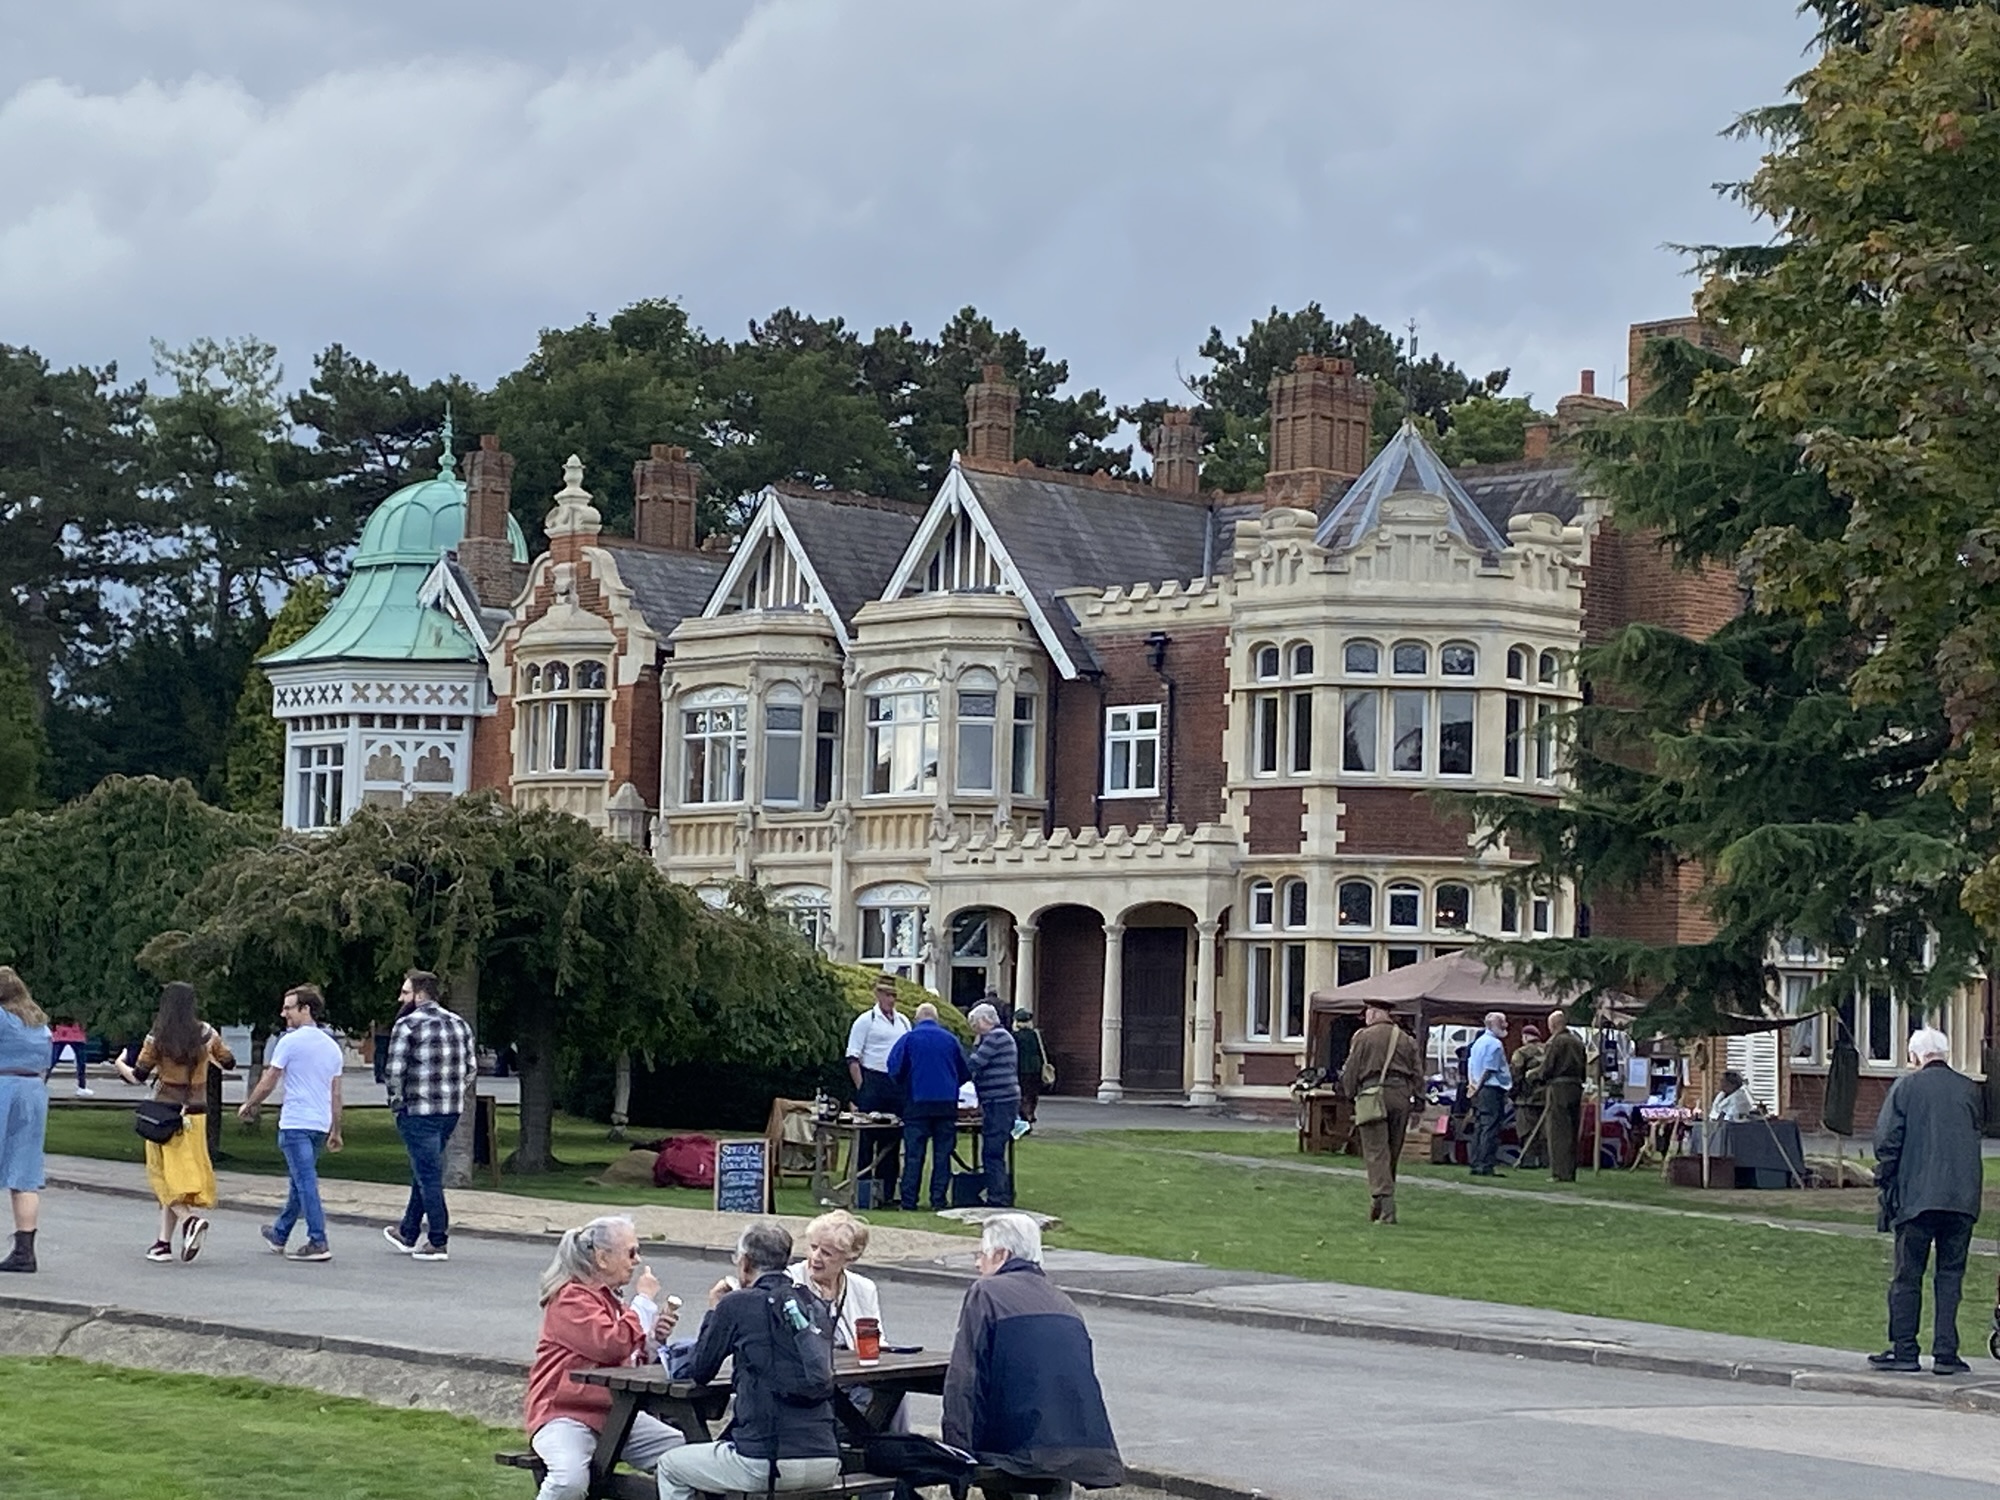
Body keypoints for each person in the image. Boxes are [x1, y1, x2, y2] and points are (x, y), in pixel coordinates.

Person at [943, 1213, 1123, 1499]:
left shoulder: (986, 1292)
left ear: (1002, 1254)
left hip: (1019, 1449)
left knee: (999, 1459)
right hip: (1080, 1447)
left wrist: (956, 1453)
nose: (977, 1263)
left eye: (981, 1254)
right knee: (1050, 1469)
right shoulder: (1063, 1301)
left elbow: (966, 1378)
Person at [659, 1222, 843, 1500]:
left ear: (745, 1263)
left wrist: (715, 1309)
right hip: (827, 1458)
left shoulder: (736, 1304)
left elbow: (700, 1370)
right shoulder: (809, 1302)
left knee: (671, 1465)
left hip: (767, 1460)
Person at [526, 1214, 686, 1499]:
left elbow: (627, 1359)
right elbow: (610, 1346)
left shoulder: (610, 1299)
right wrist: (645, 1302)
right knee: (568, 1481)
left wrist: (653, 1340)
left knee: (686, 1458)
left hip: (617, 1413)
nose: (637, 1260)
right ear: (602, 1258)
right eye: (631, 1252)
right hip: (566, 1413)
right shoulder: (570, 1299)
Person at [1870, 1026, 1984, 1375]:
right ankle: (1946, 1354)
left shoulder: (1907, 1087)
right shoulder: (1969, 1089)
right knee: (1950, 1276)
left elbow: (1887, 1141)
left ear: (1915, 1056)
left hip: (1917, 1198)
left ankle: (1905, 1350)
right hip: (1962, 1198)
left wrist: (1884, 1178)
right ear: (1945, 1054)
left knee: (1907, 1275)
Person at [114, 982, 235, 1264]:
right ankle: (162, 1243)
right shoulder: (207, 1033)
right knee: (181, 1176)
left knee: (162, 1176)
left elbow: (139, 1075)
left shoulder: (157, 1037)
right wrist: (208, 1061)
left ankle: (188, 1220)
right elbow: (228, 1061)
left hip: (163, 1114)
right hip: (195, 1113)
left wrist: (120, 1064)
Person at [238, 983, 346, 1262]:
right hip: (319, 1124)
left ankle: (318, 1240)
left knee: (306, 1181)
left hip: (296, 1121)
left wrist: (250, 1103)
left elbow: (270, 1079)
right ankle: (280, 1233)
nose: (283, 1013)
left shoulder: (289, 1042)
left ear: (305, 1009)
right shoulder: (332, 1046)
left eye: (289, 1007)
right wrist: (336, 1129)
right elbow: (335, 1092)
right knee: (300, 1182)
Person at [382, 969, 476, 1262]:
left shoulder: (408, 1025)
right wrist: (454, 1092)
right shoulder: (459, 1023)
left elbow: (394, 1072)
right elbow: (471, 1068)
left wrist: (397, 1103)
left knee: (428, 1174)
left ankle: (438, 1239)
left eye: (406, 992)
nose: (401, 997)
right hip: (449, 1109)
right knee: (422, 1169)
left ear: (420, 994)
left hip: (417, 1110)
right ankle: (408, 1231)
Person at [1338, 1001, 1421, 1224]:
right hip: (1401, 1097)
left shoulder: (1363, 1037)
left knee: (1376, 1154)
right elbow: (1417, 1073)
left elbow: (1352, 1069)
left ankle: (1386, 1209)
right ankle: (1379, 1204)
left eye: (1367, 1013)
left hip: (1373, 1094)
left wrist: (1348, 1093)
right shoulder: (1406, 1039)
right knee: (1391, 1153)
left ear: (1373, 1013)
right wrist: (1418, 1100)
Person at [887, 1001, 970, 1212]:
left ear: (917, 1019)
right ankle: (938, 1200)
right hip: (946, 1104)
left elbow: (894, 1068)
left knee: (914, 1155)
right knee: (943, 1155)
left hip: (917, 1103)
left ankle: (909, 1201)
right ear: (936, 1018)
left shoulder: (909, 1039)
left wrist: (903, 1088)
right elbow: (965, 1071)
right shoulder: (951, 1040)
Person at [0, 967, 51, 1273]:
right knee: (25, 1172)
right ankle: (24, 1250)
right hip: (33, 1092)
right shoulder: (40, 1025)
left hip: (3, 1087)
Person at [845, 975, 912, 1205]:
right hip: (872, 1079)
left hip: (895, 1082)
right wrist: (862, 1087)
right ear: (877, 995)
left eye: (893, 995)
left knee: (892, 1139)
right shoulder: (866, 1020)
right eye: (887, 995)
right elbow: (853, 1057)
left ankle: (886, 1193)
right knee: (867, 1138)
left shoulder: (903, 1021)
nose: (891, 1000)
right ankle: (863, 1192)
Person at [785, 1209, 883, 1351]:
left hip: (852, 1368)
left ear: (849, 1258)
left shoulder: (864, 1288)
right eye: (813, 1247)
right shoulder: (789, 1280)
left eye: (826, 1253)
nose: (815, 1257)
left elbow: (876, 1343)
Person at [966, 1003, 1020, 1207]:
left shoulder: (995, 1037)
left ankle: (998, 1197)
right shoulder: (1002, 1037)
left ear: (984, 1020)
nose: (974, 1029)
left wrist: (975, 1044)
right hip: (1000, 1100)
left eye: (975, 1024)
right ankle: (1001, 1192)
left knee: (992, 1151)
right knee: (994, 1149)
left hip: (1000, 1101)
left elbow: (975, 1063)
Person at [1539, 1010, 1589, 1182]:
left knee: (1558, 1132)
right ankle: (1570, 1171)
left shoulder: (1556, 1042)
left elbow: (1548, 1066)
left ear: (1553, 1025)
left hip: (1559, 1087)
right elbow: (1584, 1067)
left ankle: (1559, 1173)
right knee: (1572, 1130)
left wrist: (1537, 1077)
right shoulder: (1578, 1041)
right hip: (1576, 1087)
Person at [1465, 1011, 1511, 1177]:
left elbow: (1470, 1065)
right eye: (1503, 1023)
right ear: (1494, 1025)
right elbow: (1489, 1069)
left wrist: (1472, 1085)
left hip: (1479, 1088)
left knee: (1480, 1126)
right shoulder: (1495, 1044)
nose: (1506, 1026)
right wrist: (1478, 1086)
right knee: (1490, 1127)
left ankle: (1476, 1162)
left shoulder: (1478, 1043)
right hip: (1490, 1089)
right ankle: (1485, 1164)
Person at [1509, 1024, 1546, 1167]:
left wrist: (1512, 1094)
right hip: (1546, 1099)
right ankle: (1546, 1162)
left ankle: (1528, 1162)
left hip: (1526, 1099)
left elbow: (1515, 1075)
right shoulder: (1548, 1050)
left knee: (1526, 1132)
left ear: (1525, 1037)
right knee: (1545, 1134)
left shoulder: (1521, 1052)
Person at [1012, 1008, 1046, 1128]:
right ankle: (1030, 1113)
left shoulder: (1014, 1036)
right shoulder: (1036, 1035)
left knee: (1021, 1094)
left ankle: (1024, 1116)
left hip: (1020, 1069)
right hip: (1035, 1069)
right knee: (1032, 1094)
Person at [46, 1017, 91, 1097]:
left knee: (51, 1061)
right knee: (81, 1062)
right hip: (74, 1033)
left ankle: (41, 1084)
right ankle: (82, 1087)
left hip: (63, 1032)